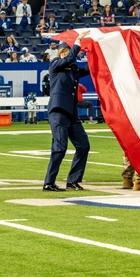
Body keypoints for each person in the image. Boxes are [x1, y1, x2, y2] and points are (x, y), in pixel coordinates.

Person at [42, 43, 91, 192]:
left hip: (71, 112)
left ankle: (73, 180)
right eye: (67, 52)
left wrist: (97, 54)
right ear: (62, 52)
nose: (70, 56)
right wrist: (77, 43)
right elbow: (68, 59)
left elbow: (88, 69)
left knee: (83, 145)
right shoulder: (55, 64)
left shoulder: (73, 69)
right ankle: (49, 182)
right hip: (58, 111)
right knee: (59, 147)